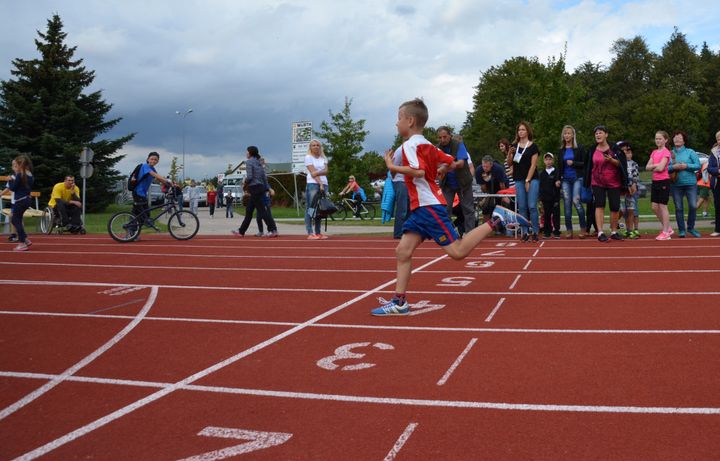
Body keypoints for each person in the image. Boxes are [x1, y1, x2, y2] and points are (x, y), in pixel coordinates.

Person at [370, 98, 528, 316]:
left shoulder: (409, 146)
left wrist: (391, 166)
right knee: (403, 251)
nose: (396, 123)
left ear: (410, 121)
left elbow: (418, 172)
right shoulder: (428, 145)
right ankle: (399, 302)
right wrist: (442, 169)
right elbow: (450, 161)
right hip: (422, 207)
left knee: (457, 252)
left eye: (399, 119)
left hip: (428, 206)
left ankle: (497, 219)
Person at [583, 125, 628, 242]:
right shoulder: (592, 149)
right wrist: (587, 181)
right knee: (599, 205)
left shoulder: (615, 149)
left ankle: (614, 232)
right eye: (596, 133)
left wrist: (611, 160)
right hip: (597, 182)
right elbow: (587, 166)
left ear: (606, 135)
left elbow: (622, 164)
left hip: (614, 182)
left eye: (600, 133)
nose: (598, 135)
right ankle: (600, 233)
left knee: (615, 206)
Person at [232, 146, 278, 238]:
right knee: (249, 210)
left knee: (262, 211)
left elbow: (249, 177)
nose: (246, 153)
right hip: (260, 188)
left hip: (254, 188)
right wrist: (268, 188)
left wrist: (245, 182)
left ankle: (272, 230)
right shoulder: (259, 162)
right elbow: (264, 178)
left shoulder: (249, 162)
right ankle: (241, 231)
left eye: (247, 152)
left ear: (250, 153)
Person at [437, 126, 475, 233]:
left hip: (463, 182)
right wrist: (439, 170)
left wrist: (445, 167)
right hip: (447, 183)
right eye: (440, 137)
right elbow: (436, 165)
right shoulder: (437, 148)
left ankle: (470, 234)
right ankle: (448, 234)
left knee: (468, 209)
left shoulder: (459, 145)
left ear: (450, 135)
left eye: (445, 137)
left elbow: (461, 163)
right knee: (445, 209)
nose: (442, 140)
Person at [507, 121, 540, 242]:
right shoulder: (514, 146)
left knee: (532, 206)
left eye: (523, 130)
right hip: (518, 179)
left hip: (532, 179)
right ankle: (525, 232)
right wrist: (509, 153)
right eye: (519, 130)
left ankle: (535, 231)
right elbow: (510, 163)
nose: (520, 132)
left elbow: (533, 165)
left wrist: (528, 180)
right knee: (522, 207)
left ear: (527, 131)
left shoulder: (533, 146)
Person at [130, 152, 173, 240]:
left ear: (158, 161)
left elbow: (159, 179)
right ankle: (131, 231)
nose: (153, 161)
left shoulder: (152, 168)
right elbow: (155, 175)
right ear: (148, 159)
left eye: (155, 159)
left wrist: (171, 185)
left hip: (142, 194)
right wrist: (167, 181)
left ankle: (133, 231)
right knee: (142, 214)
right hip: (138, 193)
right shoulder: (145, 166)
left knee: (143, 214)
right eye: (152, 159)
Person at [669, 130, 701, 238]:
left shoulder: (690, 152)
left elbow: (698, 165)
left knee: (693, 206)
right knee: (678, 208)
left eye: (679, 138)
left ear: (684, 141)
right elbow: (665, 168)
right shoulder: (669, 153)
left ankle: (691, 228)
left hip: (691, 184)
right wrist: (674, 167)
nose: (677, 139)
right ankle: (682, 230)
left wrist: (686, 166)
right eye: (675, 137)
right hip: (676, 185)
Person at [557, 125, 587, 238]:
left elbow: (585, 163)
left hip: (577, 178)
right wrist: (558, 179)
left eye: (569, 133)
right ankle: (569, 230)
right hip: (565, 179)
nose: (567, 135)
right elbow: (559, 166)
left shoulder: (579, 148)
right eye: (565, 133)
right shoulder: (561, 150)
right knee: (566, 204)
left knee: (576, 201)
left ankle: (583, 228)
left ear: (573, 135)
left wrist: (573, 163)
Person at [645, 131, 674, 240]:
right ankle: (668, 228)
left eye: (660, 138)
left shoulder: (666, 152)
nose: (658, 140)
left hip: (663, 181)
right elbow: (647, 167)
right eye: (656, 138)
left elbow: (661, 168)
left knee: (662, 206)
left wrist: (653, 166)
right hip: (655, 181)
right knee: (654, 207)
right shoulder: (654, 152)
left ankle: (665, 232)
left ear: (665, 140)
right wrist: (656, 165)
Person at [1, 155, 33, 251]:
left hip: (20, 200)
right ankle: (25, 239)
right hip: (27, 199)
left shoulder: (20, 174)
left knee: (15, 220)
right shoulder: (29, 174)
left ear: (20, 165)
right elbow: (22, 186)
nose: (14, 167)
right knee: (15, 220)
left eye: (16, 165)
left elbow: (13, 188)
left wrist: (10, 180)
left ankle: (22, 243)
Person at [304, 139, 329, 239]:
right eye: (313, 145)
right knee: (311, 208)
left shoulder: (324, 158)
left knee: (320, 209)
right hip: (313, 184)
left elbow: (326, 171)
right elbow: (312, 172)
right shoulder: (308, 157)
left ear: (320, 147)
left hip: (325, 184)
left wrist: (317, 173)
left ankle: (318, 232)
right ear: (310, 147)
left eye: (317, 145)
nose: (316, 147)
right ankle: (310, 232)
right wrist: (320, 183)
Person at [474, 155, 508, 225]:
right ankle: (486, 226)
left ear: (491, 165)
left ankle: (501, 225)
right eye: (483, 166)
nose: (485, 168)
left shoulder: (498, 169)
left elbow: (502, 184)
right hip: (488, 187)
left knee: (500, 205)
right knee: (486, 206)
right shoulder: (479, 170)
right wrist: (487, 197)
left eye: (487, 167)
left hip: (500, 186)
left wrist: (504, 195)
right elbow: (483, 187)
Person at [617, 141, 640, 239]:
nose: (628, 154)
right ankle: (615, 224)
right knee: (622, 210)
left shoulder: (634, 164)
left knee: (631, 209)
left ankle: (630, 230)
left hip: (631, 189)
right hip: (622, 189)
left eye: (629, 152)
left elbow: (635, 176)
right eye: (626, 153)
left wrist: (633, 184)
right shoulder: (619, 163)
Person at [539, 153, 561, 239]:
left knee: (556, 215)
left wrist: (558, 183)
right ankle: (547, 232)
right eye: (546, 159)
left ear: (553, 160)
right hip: (545, 199)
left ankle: (556, 232)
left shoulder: (557, 172)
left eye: (550, 159)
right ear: (544, 161)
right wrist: (540, 199)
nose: (548, 161)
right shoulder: (542, 174)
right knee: (547, 215)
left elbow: (559, 183)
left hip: (555, 198)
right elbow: (540, 187)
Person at [391, 145, 410, 239]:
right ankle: (399, 233)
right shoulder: (400, 150)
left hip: (410, 181)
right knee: (403, 209)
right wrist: (394, 178)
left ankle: (408, 231)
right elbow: (392, 166)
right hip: (400, 181)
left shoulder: (416, 148)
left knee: (410, 209)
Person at [708, 130, 720, 237]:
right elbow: (710, 168)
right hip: (717, 182)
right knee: (718, 206)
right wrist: (718, 170)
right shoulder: (714, 152)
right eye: (718, 139)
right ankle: (718, 229)